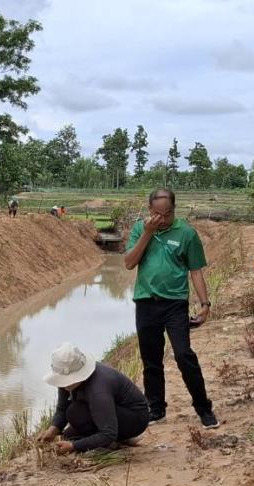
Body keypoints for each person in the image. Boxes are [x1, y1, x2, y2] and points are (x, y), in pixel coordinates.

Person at [123, 187, 218, 428]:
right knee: (151, 359)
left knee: (184, 354)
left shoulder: (186, 233)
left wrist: (204, 304)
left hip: (175, 303)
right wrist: (147, 232)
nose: (162, 219)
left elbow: (195, 270)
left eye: (167, 214)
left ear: (174, 210)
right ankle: (156, 409)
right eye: (157, 214)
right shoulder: (139, 229)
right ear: (149, 210)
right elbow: (129, 263)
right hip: (146, 302)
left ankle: (203, 408)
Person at [36, 343, 150, 453]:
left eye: (67, 380)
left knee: (75, 413)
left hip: (135, 418)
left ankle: (114, 442)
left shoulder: (98, 390)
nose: (64, 385)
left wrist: (74, 446)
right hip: (111, 410)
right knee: (68, 435)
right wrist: (53, 429)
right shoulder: (66, 381)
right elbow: (62, 408)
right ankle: (109, 438)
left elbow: (108, 433)